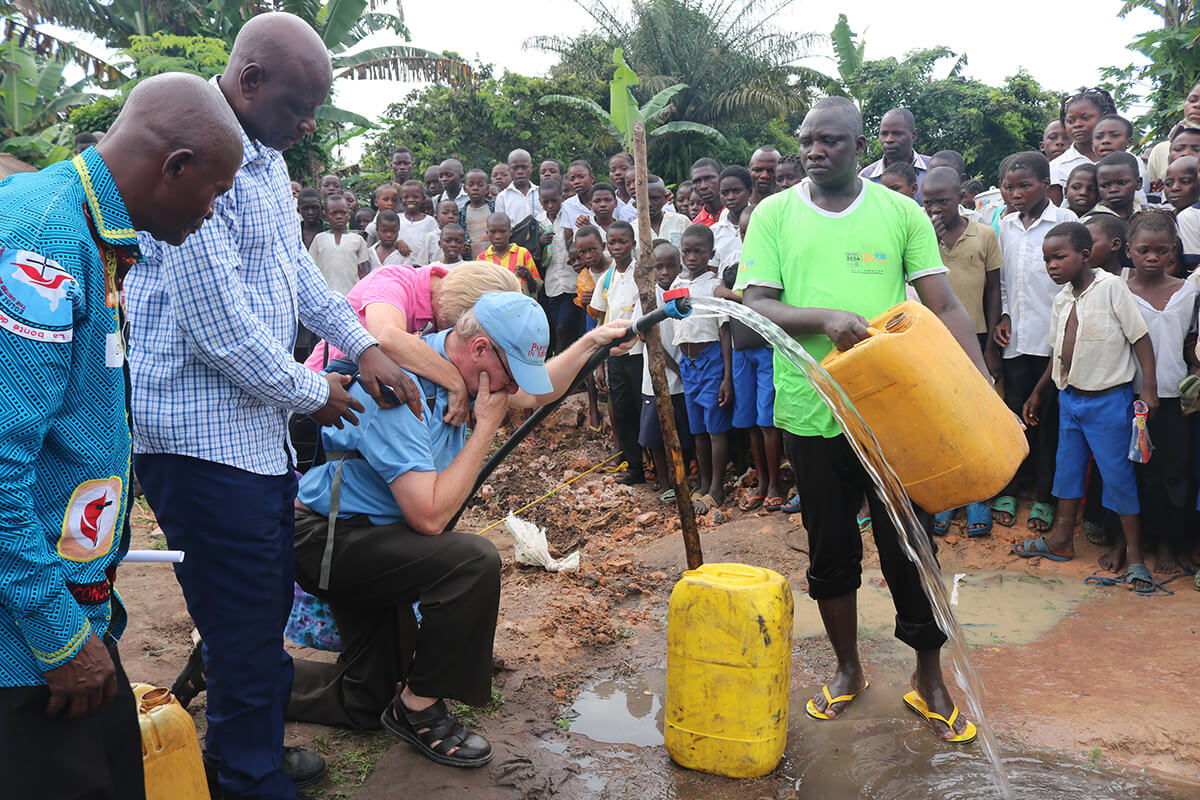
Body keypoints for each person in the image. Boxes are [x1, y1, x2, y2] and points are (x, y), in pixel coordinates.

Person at [126, 15, 424, 799]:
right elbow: (215, 324)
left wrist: (363, 346)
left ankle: (245, 746)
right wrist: (310, 392)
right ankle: (248, 779)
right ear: (250, 82)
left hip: (249, 439)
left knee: (255, 615)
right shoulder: (191, 163)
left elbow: (293, 272)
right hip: (200, 444)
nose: (310, 123)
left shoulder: (260, 164)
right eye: (299, 105)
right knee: (245, 624)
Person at [0, 71, 242, 800]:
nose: (214, 209)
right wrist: (60, 637)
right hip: (28, 650)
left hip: (71, 616)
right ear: (175, 167)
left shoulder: (87, 231)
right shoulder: (43, 243)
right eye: (214, 190)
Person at [288, 292, 634, 761]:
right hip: (329, 540)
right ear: (479, 350)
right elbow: (429, 517)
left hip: (379, 543)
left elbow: (537, 391)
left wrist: (590, 341)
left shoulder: (465, 377)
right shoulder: (400, 386)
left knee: (365, 700)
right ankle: (420, 705)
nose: (511, 390)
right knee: (471, 561)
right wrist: (488, 426)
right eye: (509, 374)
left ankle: (240, 673)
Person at [737, 96, 986, 743]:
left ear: (858, 148)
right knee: (831, 549)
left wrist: (980, 384)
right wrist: (821, 319)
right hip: (809, 409)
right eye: (807, 140)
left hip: (891, 413)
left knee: (911, 545)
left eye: (831, 140)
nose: (815, 150)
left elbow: (944, 305)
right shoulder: (773, 216)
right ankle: (848, 670)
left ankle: (928, 679)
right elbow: (755, 304)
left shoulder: (899, 212)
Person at [1015, 222, 1157, 593]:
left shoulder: (1111, 288)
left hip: (1109, 400)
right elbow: (1057, 352)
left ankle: (1135, 556)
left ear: (1084, 254)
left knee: (1118, 476)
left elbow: (1140, 337)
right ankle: (1061, 540)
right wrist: (1038, 392)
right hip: (1070, 399)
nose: (1052, 265)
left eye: (1059, 257)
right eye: (1047, 260)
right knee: (1068, 470)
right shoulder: (1062, 299)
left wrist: (1151, 390)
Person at [991, 152, 1078, 534]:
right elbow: (1005, 282)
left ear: (1047, 186)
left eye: (1025, 186)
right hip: (1016, 339)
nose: (1015, 194)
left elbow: (1077, 281)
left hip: (1052, 340)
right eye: (1009, 187)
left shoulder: (1065, 222)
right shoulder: (1006, 225)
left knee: (1047, 420)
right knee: (1013, 415)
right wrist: (1005, 315)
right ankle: (1010, 487)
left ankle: (1044, 496)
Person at [921, 166, 1002, 536]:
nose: (936, 209)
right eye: (929, 202)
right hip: (930, 343)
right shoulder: (920, 236)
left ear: (961, 198)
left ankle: (978, 498)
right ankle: (947, 498)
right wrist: (928, 238)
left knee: (976, 419)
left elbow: (992, 290)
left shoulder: (984, 235)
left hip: (974, 339)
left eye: (943, 201)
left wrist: (989, 346)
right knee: (940, 421)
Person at [1123, 210, 1199, 573]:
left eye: (1161, 250)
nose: (1152, 257)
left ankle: (1169, 545)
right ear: (1129, 252)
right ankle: (1134, 544)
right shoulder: (1119, 290)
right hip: (1130, 398)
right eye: (1144, 250)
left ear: (1173, 252)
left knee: (1174, 471)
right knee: (1136, 472)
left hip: (1174, 401)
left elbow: (1191, 344)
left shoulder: (1188, 293)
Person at [715, 207, 784, 511]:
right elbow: (726, 323)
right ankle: (760, 481)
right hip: (742, 352)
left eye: (752, 232)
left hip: (769, 351)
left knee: (768, 421)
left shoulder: (778, 261)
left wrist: (730, 295)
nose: (747, 238)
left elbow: (773, 306)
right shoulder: (733, 265)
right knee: (751, 423)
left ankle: (775, 484)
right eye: (743, 232)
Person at [671, 224, 733, 513]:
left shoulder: (714, 285)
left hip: (711, 360)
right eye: (687, 251)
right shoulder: (675, 286)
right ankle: (704, 482)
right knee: (697, 429)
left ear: (711, 253)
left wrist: (727, 377)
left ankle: (717, 488)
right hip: (689, 363)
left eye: (699, 251)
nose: (692, 257)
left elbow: (724, 332)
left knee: (715, 427)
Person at [590, 220, 645, 482]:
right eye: (612, 242)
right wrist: (599, 362)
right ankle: (634, 467)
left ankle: (655, 464)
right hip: (615, 355)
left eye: (623, 242)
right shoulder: (607, 278)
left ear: (633, 244)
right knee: (623, 410)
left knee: (644, 407)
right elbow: (601, 320)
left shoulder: (642, 273)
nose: (618, 247)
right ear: (606, 246)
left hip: (641, 353)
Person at [638, 242, 693, 496]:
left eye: (671, 266)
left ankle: (685, 477)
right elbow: (649, 338)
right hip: (657, 376)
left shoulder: (684, 293)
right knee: (655, 434)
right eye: (658, 267)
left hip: (684, 375)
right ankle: (664, 481)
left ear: (679, 267)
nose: (664, 272)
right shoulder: (648, 297)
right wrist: (675, 368)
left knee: (683, 429)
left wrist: (682, 369)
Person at [1048, 87, 1117, 206]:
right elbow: (1054, 210)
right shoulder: (1056, 167)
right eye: (1071, 121)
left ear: (1104, 116)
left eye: (1085, 118)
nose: (1077, 125)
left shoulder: (1126, 160)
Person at [537, 179, 581, 353]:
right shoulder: (539, 222)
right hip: (552, 284)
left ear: (561, 197)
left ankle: (558, 362)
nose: (550, 205)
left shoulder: (570, 216)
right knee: (556, 326)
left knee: (565, 326)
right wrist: (541, 242)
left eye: (554, 200)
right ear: (540, 202)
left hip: (572, 281)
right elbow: (536, 254)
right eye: (545, 202)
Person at [575, 226, 611, 431]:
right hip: (594, 322)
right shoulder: (584, 276)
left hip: (614, 319)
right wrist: (585, 301)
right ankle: (593, 405)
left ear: (603, 246)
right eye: (582, 252)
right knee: (590, 358)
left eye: (592, 250)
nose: (588, 256)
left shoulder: (614, 268)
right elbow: (587, 307)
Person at [859, 107, 931, 202]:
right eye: (884, 134)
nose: (889, 139)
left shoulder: (934, 168)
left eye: (897, 134)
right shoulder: (866, 178)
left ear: (913, 135)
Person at [308, 193, 369, 295]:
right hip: (325, 294)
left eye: (343, 213)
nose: (339, 217)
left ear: (349, 214)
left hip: (351, 294)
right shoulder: (319, 239)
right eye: (334, 213)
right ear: (326, 216)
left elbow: (362, 272)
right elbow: (312, 269)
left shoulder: (358, 240)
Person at [1146, 80, 1200, 192]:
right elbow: (1149, 190)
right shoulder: (1161, 150)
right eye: (1192, 100)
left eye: (1196, 149)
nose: (1197, 105)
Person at [480, 212, 540, 296]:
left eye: (502, 232)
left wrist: (528, 277)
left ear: (510, 232)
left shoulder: (523, 253)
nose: (497, 236)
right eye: (493, 232)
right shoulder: (482, 258)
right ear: (487, 233)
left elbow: (536, 287)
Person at [1086, 152, 1144, 221]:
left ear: (1138, 183)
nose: (1113, 190)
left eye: (1122, 183)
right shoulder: (1091, 221)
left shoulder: (1147, 215)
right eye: (1105, 185)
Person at [1166, 155, 1200, 265]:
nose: (1175, 188)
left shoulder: (1191, 217)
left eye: (1185, 182)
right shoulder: (1162, 220)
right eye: (1168, 184)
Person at [715, 166, 751, 269]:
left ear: (750, 191)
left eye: (736, 191)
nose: (730, 197)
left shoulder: (760, 225)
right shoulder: (715, 232)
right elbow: (714, 272)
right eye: (725, 193)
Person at [394, 180, 438, 263]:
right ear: (401, 199)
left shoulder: (430, 222)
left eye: (415, 197)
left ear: (423, 199)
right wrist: (397, 242)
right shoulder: (396, 219)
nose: (410, 200)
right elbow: (387, 239)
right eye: (406, 197)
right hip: (400, 268)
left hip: (422, 268)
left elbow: (435, 245)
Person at [495, 148, 541, 224]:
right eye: (515, 168)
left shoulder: (540, 193)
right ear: (509, 170)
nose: (520, 172)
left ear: (531, 168)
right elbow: (501, 225)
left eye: (524, 167)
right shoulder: (502, 197)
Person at [415, 199, 463, 266]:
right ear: (436, 217)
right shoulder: (431, 237)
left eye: (455, 214)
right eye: (445, 213)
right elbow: (421, 262)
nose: (451, 216)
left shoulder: (460, 236)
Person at [647, 175, 690, 248]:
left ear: (666, 198)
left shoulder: (682, 222)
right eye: (644, 199)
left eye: (654, 198)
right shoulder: (633, 229)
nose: (649, 204)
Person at [563, 159, 596, 227]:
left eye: (581, 177)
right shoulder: (567, 205)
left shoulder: (607, 199)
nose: (576, 182)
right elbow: (568, 237)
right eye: (572, 179)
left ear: (592, 178)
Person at [690, 158, 723, 225]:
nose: (703, 186)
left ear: (721, 178)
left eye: (709, 178)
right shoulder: (695, 226)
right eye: (697, 181)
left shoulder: (739, 214)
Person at [608, 152, 639, 222]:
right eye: (613, 170)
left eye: (624, 168)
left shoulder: (648, 198)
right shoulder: (609, 201)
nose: (617, 173)